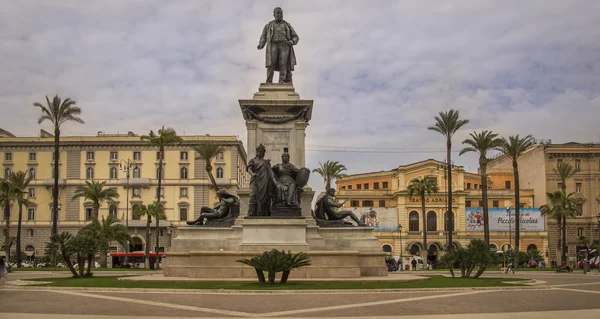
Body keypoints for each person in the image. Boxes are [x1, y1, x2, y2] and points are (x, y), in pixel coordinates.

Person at [257, 7, 299, 84]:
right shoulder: (268, 25)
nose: (279, 15)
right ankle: (269, 81)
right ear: (274, 15)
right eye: (278, 13)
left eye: (281, 13)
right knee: (271, 63)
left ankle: (282, 80)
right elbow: (263, 37)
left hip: (285, 45)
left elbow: (295, 37)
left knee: (283, 63)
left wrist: (292, 41)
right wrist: (261, 44)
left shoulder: (287, 25)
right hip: (273, 45)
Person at [247, 144, 273, 216]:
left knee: (264, 198)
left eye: (261, 152)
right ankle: (251, 214)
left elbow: (270, 173)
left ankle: (263, 214)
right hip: (255, 180)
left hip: (264, 181)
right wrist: (252, 173)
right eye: (258, 151)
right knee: (253, 195)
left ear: (263, 153)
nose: (259, 153)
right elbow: (249, 169)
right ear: (256, 152)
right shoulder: (252, 160)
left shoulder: (266, 162)